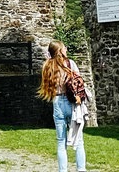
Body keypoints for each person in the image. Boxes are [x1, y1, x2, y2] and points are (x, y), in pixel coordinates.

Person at [38, 40, 87, 172]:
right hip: (72, 104)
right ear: (60, 50)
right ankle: (81, 169)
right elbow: (79, 82)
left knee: (61, 142)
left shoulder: (48, 66)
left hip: (57, 103)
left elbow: (47, 86)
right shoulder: (70, 64)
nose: (66, 49)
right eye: (64, 47)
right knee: (79, 141)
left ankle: (63, 170)